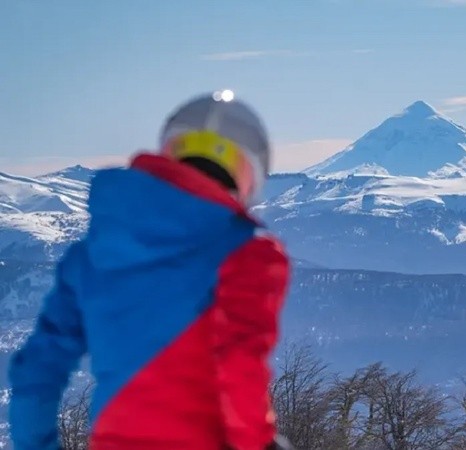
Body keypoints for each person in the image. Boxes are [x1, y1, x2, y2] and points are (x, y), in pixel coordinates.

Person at [9, 91, 293, 450]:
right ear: (249, 172)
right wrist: (256, 442)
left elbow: (37, 371)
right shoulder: (249, 254)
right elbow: (240, 366)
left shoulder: (94, 253)